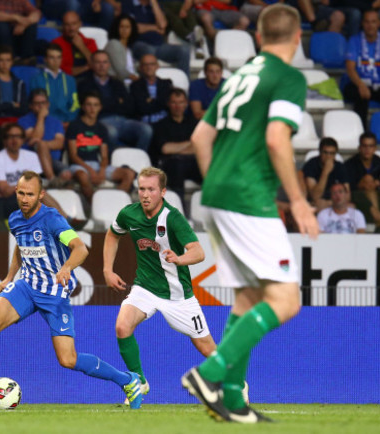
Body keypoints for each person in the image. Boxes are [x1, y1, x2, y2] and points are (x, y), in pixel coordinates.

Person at [183, 4, 319, 423]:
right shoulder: (288, 77)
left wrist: (218, 183)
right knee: (286, 299)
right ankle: (208, 374)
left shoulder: (239, 75)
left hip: (217, 193)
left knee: (248, 296)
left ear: (259, 37)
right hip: (248, 195)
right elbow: (278, 139)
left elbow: (200, 136)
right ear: (297, 39)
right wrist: (297, 200)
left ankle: (232, 401)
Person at [0, 170, 144, 409]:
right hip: (27, 286)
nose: (24, 198)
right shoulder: (15, 220)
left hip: (54, 294)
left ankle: (127, 380)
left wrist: (67, 268)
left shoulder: (53, 219)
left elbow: (80, 248)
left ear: (41, 195)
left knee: (68, 359)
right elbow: (21, 248)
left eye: (30, 194)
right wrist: (9, 277)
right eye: (21, 193)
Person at [103, 167, 215, 404]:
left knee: (207, 348)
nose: (145, 194)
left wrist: (179, 258)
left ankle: (236, 383)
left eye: (151, 189)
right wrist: (107, 269)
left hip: (178, 296)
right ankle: (140, 383)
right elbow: (113, 234)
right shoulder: (129, 214)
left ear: (162, 192)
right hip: (145, 287)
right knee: (122, 327)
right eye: (141, 189)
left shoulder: (172, 217)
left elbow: (198, 252)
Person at [78, 50, 153, 152]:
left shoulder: (117, 83)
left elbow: (130, 106)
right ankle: (113, 163)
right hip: (100, 121)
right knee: (111, 132)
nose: (102, 66)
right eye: (98, 62)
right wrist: (117, 102)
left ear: (109, 64)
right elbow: (89, 109)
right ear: (92, 64)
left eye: (105, 62)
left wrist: (104, 104)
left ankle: (137, 161)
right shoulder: (84, 84)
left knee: (146, 130)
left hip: (122, 120)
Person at [66, 92, 136, 200]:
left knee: (129, 174)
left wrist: (102, 171)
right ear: (83, 107)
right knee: (83, 176)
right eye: (89, 105)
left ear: (100, 107)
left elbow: (104, 156)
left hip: (97, 165)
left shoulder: (102, 128)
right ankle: (96, 205)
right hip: (79, 165)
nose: (92, 109)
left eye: (95, 105)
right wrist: (91, 171)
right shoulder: (74, 126)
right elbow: (73, 156)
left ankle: (115, 204)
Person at [150, 88, 201, 200]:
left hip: (192, 162)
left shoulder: (194, 123)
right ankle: (179, 211)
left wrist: (178, 149)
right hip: (170, 164)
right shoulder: (160, 125)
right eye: (174, 102)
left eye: (181, 102)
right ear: (168, 104)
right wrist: (190, 143)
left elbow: (199, 146)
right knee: (178, 165)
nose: (177, 106)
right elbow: (166, 149)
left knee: (210, 167)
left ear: (186, 104)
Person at [121, 0, 191, 77]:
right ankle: (148, 83)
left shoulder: (156, 4)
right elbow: (132, 27)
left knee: (184, 50)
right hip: (138, 44)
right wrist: (154, 27)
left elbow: (162, 25)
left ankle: (183, 84)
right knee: (149, 51)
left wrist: (154, 3)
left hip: (159, 46)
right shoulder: (128, 3)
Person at [17, 88, 72, 185]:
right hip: (31, 161)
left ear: (48, 104)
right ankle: (52, 179)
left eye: (43, 103)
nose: (41, 106)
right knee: (40, 144)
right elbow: (36, 137)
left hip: (53, 160)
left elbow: (59, 143)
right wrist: (41, 118)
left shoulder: (56, 121)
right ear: (31, 106)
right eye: (37, 103)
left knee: (67, 175)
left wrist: (43, 145)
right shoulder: (23, 121)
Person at [344, 10, 380, 129]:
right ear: (362, 24)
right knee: (361, 96)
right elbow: (350, 69)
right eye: (367, 22)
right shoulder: (354, 40)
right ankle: (361, 132)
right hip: (357, 84)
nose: (370, 25)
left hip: (379, 84)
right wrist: (361, 85)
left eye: (373, 22)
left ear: (379, 23)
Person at [29, 43, 79, 124]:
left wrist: (69, 121)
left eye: (58, 57)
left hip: (67, 122)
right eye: (52, 57)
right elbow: (34, 104)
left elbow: (75, 105)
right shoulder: (36, 79)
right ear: (45, 59)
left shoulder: (70, 80)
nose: (56, 61)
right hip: (45, 121)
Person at [0, 46, 27, 124]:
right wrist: (11, 104)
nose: (4, 64)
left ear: (12, 62)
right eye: (1, 60)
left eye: (8, 60)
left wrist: (2, 106)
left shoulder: (20, 83)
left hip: (17, 121)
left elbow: (23, 109)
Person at [302, 137, 350, 210]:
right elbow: (315, 196)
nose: (328, 156)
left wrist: (330, 203)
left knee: (351, 207)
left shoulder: (340, 167)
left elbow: (347, 195)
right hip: (317, 201)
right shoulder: (311, 164)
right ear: (320, 152)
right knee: (316, 205)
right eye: (325, 153)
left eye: (332, 153)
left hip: (334, 200)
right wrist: (325, 172)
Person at [130, 54, 173, 124]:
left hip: (165, 123)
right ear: (140, 68)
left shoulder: (166, 84)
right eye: (145, 64)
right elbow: (141, 108)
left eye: (152, 64)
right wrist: (158, 102)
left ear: (157, 66)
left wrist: (149, 102)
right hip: (143, 123)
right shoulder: (135, 86)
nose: (149, 67)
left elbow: (166, 104)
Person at [52, 11, 98, 77]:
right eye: (67, 25)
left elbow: (97, 66)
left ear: (80, 24)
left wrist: (82, 47)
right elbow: (58, 70)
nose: (71, 28)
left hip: (88, 81)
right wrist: (85, 68)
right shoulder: (56, 43)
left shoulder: (90, 42)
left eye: (74, 24)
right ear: (62, 26)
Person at [105, 14, 141, 83]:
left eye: (127, 27)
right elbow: (120, 70)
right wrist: (138, 80)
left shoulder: (128, 49)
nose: (124, 30)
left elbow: (133, 66)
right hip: (119, 84)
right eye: (121, 27)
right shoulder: (114, 44)